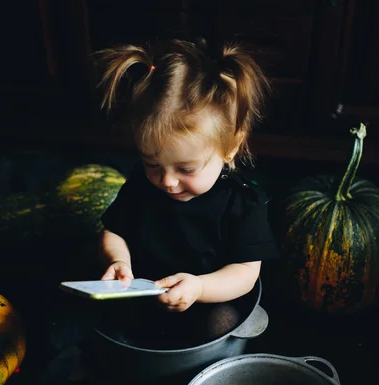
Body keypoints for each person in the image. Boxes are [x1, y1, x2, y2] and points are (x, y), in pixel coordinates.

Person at [95, 38, 280, 347]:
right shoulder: (141, 185)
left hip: (208, 299)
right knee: (99, 319)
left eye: (186, 169)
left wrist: (199, 288)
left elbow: (246, 273)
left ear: (230, 147)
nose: (167, 181)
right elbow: (113, 232)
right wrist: (119, 260)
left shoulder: (242, 203)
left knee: (223, 320)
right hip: (144, 293)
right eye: (152, 163)